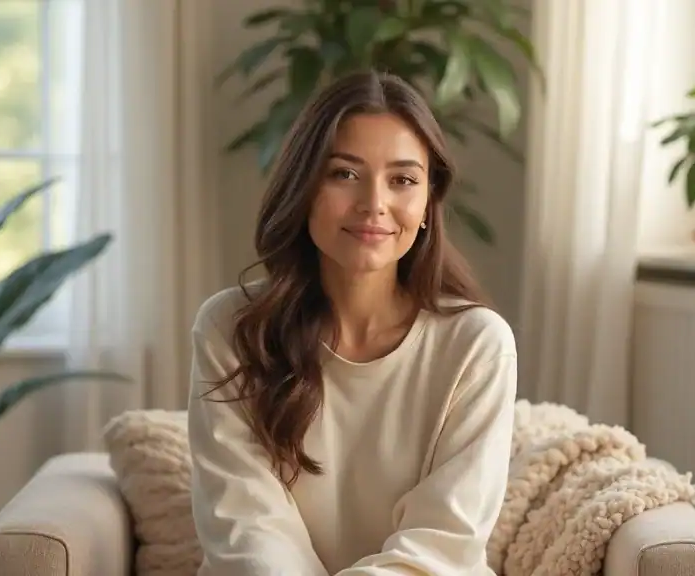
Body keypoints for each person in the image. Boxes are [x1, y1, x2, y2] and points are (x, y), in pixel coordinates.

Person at [187, 70, 517, 576]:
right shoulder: (231, 330)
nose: (374, 204)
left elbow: (440, 546)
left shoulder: (477, 344)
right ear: (305, 188)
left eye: (403, 180)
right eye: (344, 173)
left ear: (428, 202)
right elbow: (248, 534)